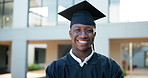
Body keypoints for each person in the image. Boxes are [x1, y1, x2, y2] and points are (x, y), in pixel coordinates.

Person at [46, 1, 123, 78]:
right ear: (70, 34)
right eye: (77, 30)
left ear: (94, 34)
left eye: (88, 30)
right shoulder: (55, 69)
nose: (83, 36)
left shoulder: (110, 67)